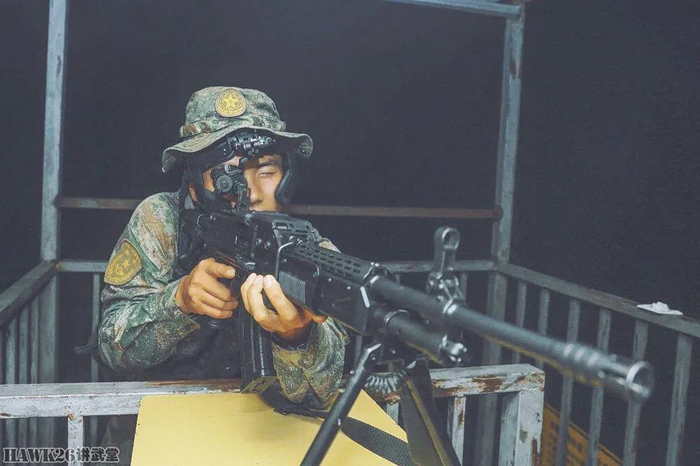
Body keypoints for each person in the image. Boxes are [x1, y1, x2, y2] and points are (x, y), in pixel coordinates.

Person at [96, 86, 348, 464]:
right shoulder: (162, 220)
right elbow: (112, 350)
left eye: (267, 171)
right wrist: (178, 301)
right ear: (194, 183)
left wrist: (297, 336)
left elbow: (322, 391)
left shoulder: (301, 246)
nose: (251, 191)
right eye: (227, 175)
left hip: (261, 436)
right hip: (160, 430)